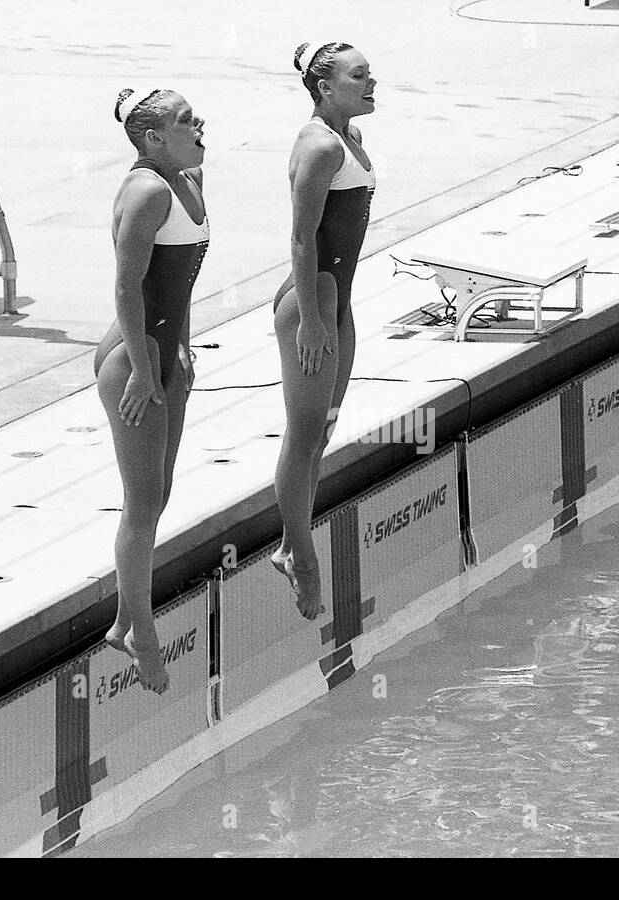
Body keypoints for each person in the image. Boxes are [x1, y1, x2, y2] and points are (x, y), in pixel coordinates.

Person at [96, 87, 207, 694]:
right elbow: (126, 288)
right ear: (151, 138)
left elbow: (180, 285)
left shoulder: (186, 177)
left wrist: (183, 345)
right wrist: (143, 369)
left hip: (165, 353)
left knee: (157, 495)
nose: (198, 125)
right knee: (141, 504)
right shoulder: (147, 191)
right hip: (133, 359)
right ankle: (141, 632)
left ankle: (122, 619)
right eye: (185, 120)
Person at [271, 42, 377, 620]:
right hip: (312, 304)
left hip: (339, 301)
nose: (371, 81)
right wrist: (311, 320)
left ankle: (293, 541)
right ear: (325, 87)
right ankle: (300, 556)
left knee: (325, 431)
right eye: (359, 76)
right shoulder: (318, 145)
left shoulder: (348, 140)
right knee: (304, 431)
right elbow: (301, 237)